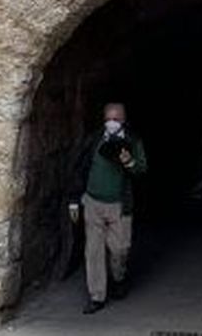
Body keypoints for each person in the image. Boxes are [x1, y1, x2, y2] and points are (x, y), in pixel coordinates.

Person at [65, 102, 147, 315]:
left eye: (116, 119)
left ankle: (119, 278)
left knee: (119, 250)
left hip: (119, 204)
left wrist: (129, 162)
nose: (112, 123)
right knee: (93, 251)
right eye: (108, 119)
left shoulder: (133, 141)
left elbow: (141, 170)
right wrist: (75, 199)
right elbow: (80, 168)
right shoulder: (94, 139)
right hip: (92, 202)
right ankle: (97, 296)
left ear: (124, 120)